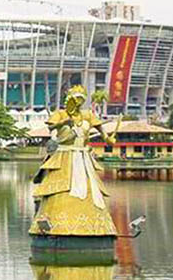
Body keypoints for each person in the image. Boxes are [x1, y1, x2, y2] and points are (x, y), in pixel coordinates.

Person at [30, 86, 117, 240]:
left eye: (81, 99)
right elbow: (50, 127)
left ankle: (96, 227)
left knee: (90, 191)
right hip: (64, 155)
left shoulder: (88, 115)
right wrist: (64, 122)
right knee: (60, 189)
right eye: (76, 99)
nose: (78, 102)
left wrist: (107, 138)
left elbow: (101, 130)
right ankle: (55, 226)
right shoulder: (61, 113)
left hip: (82, 157)